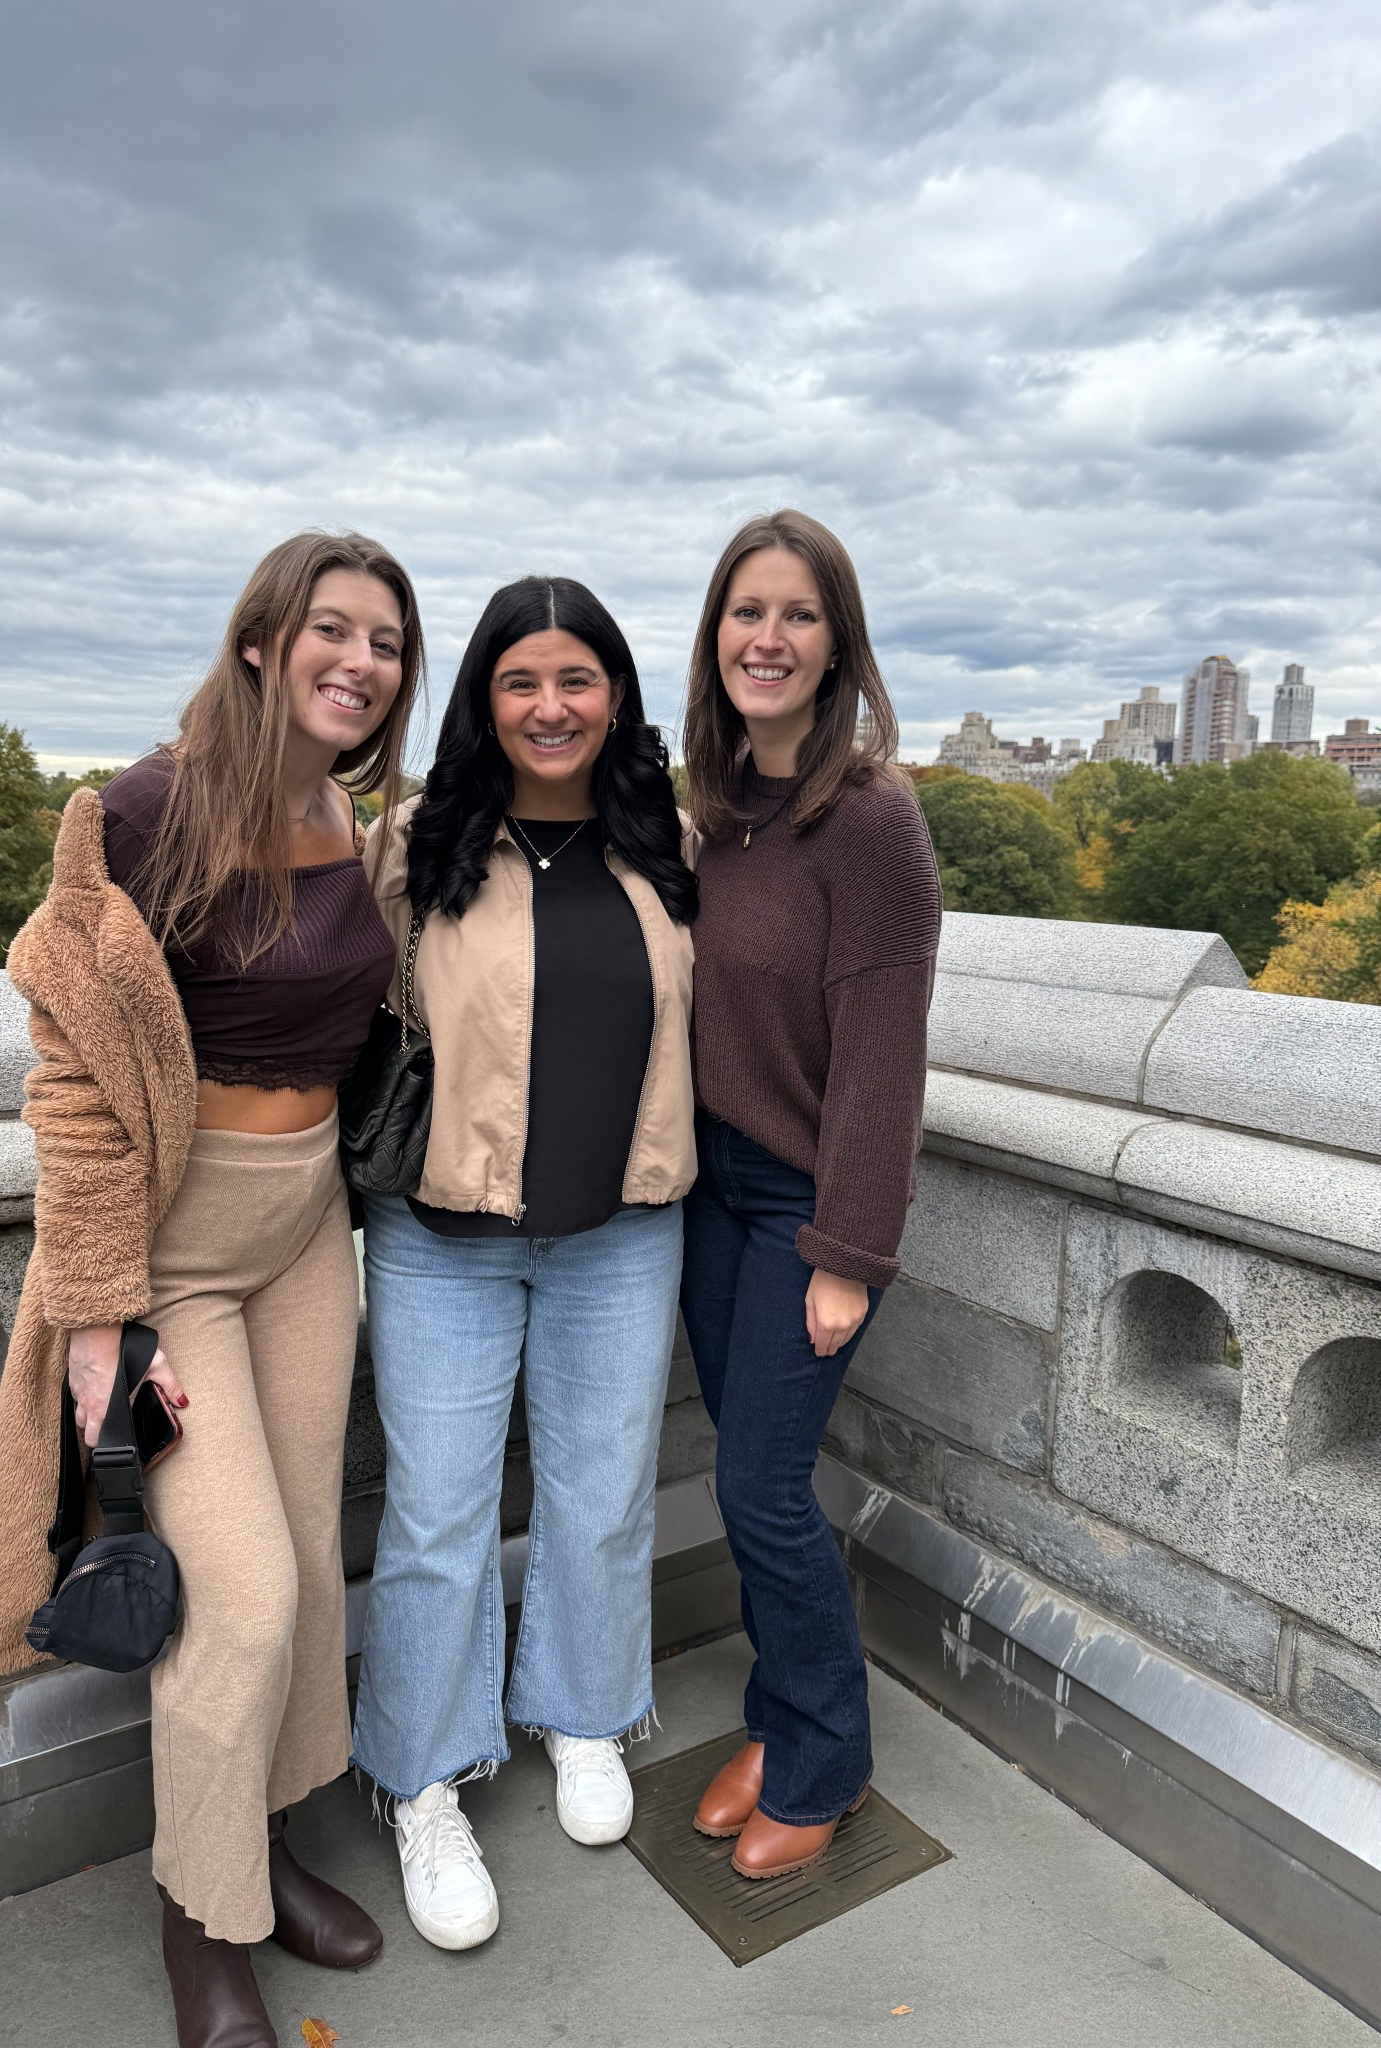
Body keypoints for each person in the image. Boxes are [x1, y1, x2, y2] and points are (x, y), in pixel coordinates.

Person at [0, 530, 425, 2048]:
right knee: (245, 1590)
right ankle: (200, 1918)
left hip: (305, 1241)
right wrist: (99, 1316)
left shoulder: (353, 820)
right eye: (333, 632)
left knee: (303, 1554)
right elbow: (75, 1078)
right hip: (174, 1258)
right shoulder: (145, 814)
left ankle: (266, 1845)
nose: (362, 663)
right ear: (259, 642)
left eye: (389, 642)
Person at [354, 575, 698, 1950]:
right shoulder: (413, 847)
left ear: (613, 692)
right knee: (436, 1516)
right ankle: (424, 1778)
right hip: (443, 1235)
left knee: (603, 1492)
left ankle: (583, 1711)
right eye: (520, 682)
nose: (550, 707)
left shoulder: (669, 842)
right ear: (483, 699)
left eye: (577, 680)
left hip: (626, 1225)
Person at [677, 509, 941, 1881]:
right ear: (713, 633)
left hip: (802, 1207)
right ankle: (780, 1723)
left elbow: (886, 1061)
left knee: (763, 1488)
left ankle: (824, 1761)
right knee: (746, 1478)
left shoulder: (871, 819)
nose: (765, 639)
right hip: (707, 1193)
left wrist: (847, 1250)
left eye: (796, 614)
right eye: (744, 611)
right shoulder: (715, 812)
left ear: (838, 642)